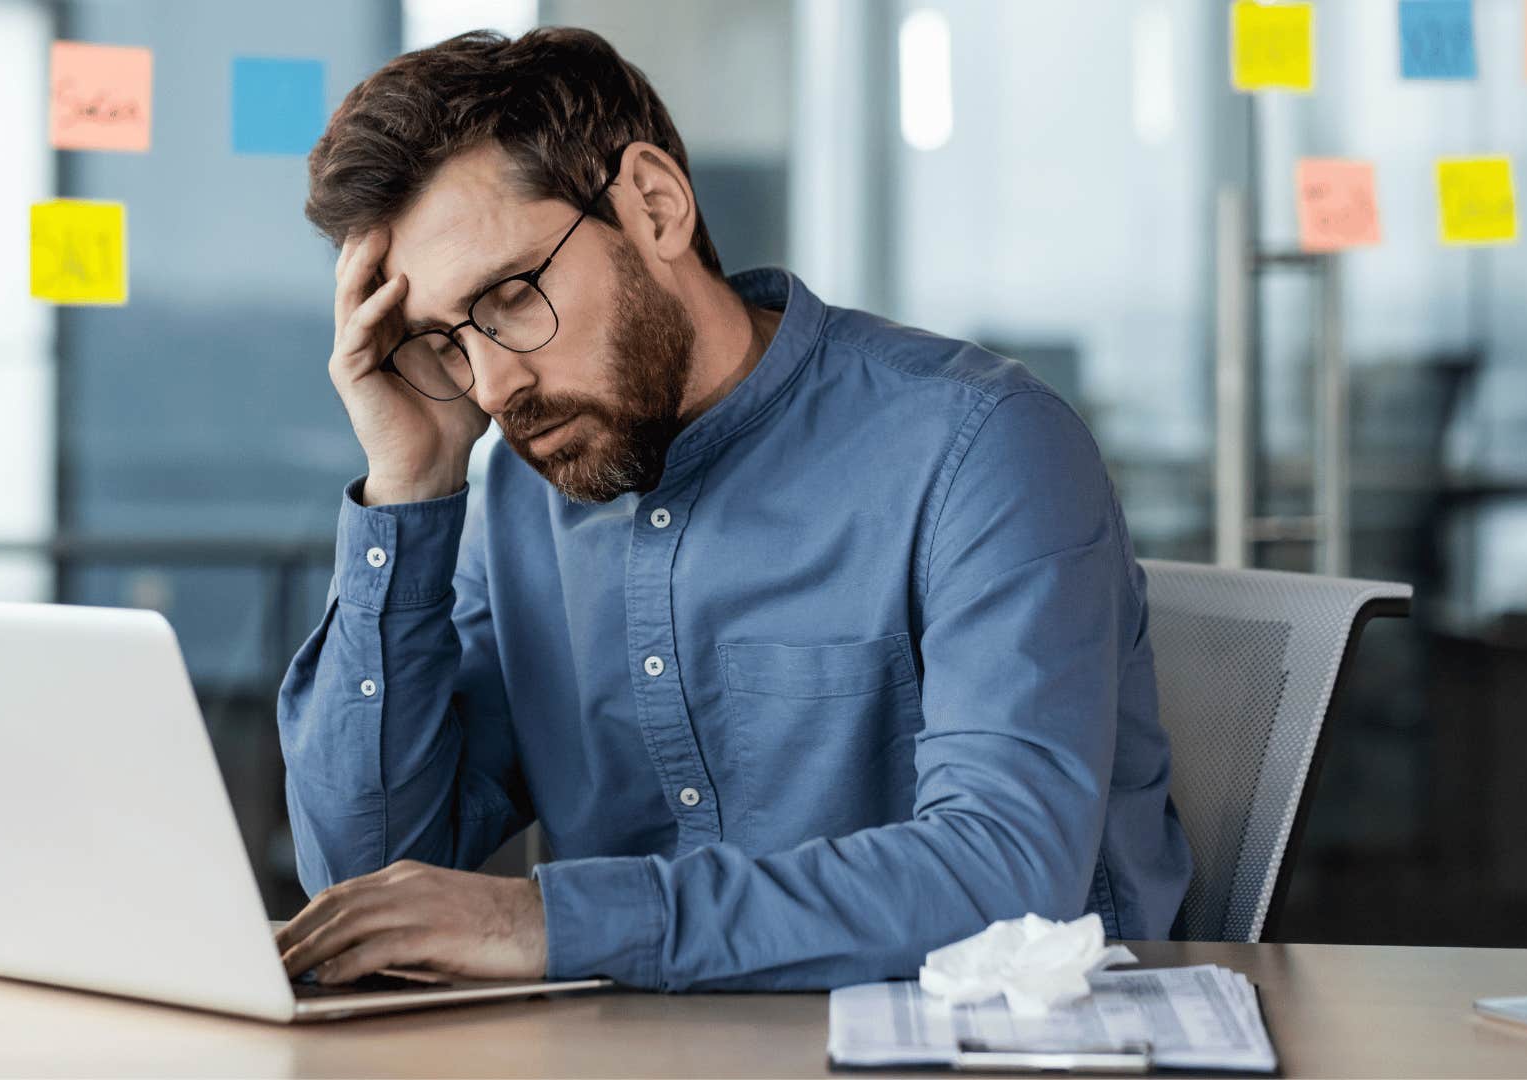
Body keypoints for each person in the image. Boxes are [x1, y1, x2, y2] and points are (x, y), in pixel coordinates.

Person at [273, 27, 1190, 992]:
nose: (493, 384)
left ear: (655, 207)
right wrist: (409, 489)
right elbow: (362, 879)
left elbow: (1005, 875)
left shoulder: (979, 446)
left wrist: (556, 921)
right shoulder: (516, 498)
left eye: (509, 295)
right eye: (444, 341)